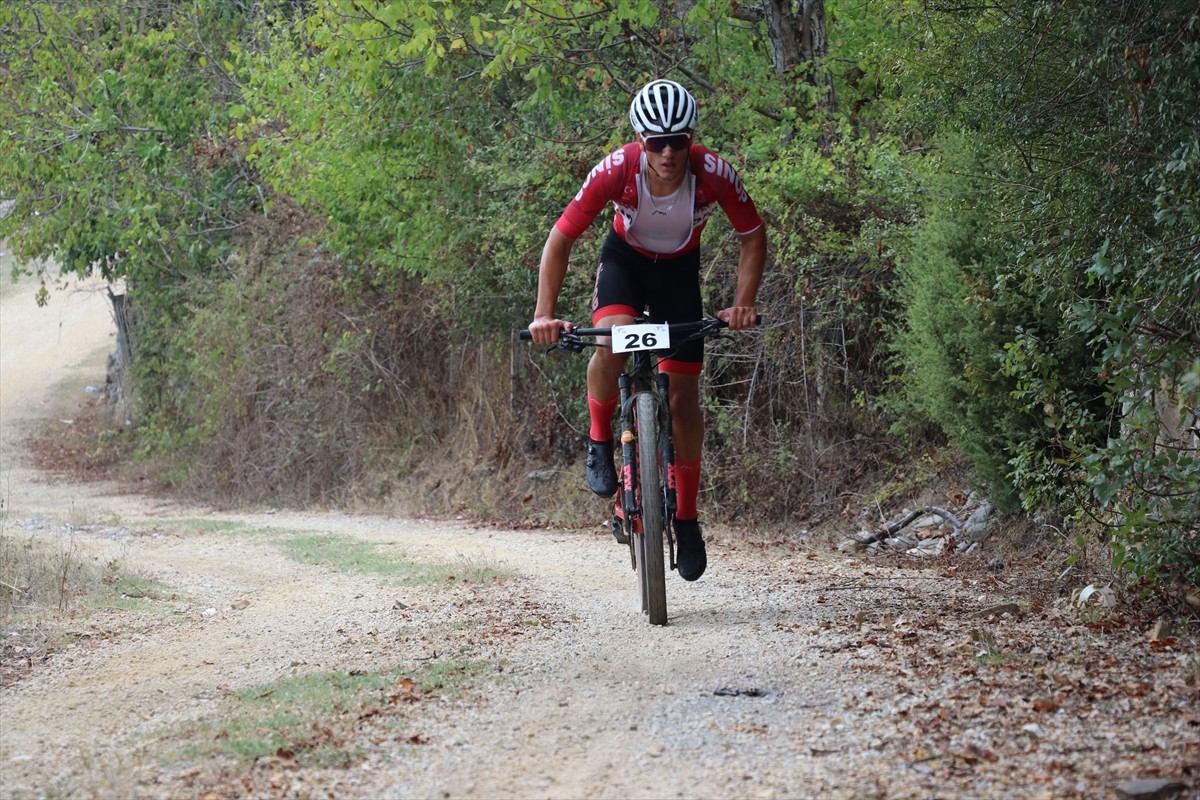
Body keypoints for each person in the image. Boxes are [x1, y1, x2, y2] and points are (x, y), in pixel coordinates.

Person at [527, 79, 766, 582]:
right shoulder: (616, 170)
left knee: (682, 397)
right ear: (639, 140)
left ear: (691, 138)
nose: (666, 152)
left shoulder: (711, 172)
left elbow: (752, 235)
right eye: (655, 141)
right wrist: (544, 314)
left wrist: (743, 305)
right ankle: (599, 440)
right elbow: (560, 239)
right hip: (626, 266)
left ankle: (688, 518)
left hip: (679, 272)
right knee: (612, 339)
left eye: (677, 140)